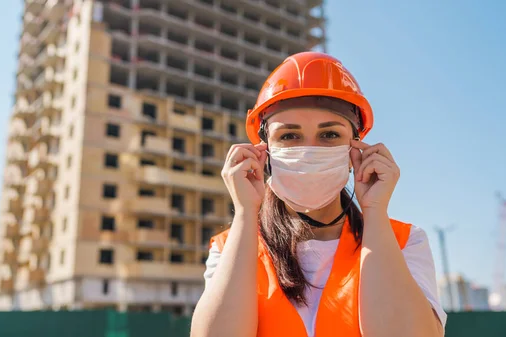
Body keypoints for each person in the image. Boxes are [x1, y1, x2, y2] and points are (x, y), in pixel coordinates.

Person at [190, 52, 446, 337]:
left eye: (329, 135)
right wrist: (245, 213)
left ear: (355, 150)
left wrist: (374, 210)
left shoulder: (404, 242)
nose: (309, 150)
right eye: (289, 136)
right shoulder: (229, 248)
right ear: (265, 152)